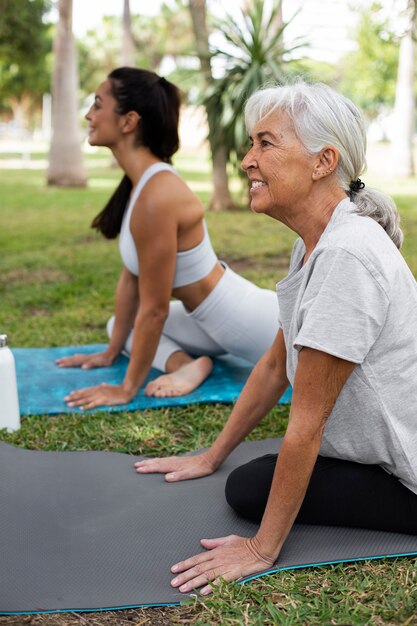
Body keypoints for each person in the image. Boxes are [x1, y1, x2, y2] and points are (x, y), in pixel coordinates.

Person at [134, 80, 417, 596]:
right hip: (384, 455)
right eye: (251, 144)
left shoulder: (345, 256)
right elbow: (271, 367)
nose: (247, 160)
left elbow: (308, 424)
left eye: (266, 143)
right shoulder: (317, 242)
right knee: (246, 477)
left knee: (251, 488)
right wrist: (211, 455)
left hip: (409, 480)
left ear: (322, 161)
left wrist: (262, 549)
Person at [56, 67, 279, 409]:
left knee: (310, 364)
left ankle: (193, 364)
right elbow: (131, 278)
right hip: (204, 319)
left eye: (98, 104)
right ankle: (189, 366)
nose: (89, 114)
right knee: (119, 323)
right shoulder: (140, 185)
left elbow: (155, 310)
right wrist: (111, 352)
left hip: (248, 321)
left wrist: (126, 389)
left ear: (129, 121)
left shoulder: (158, 194)